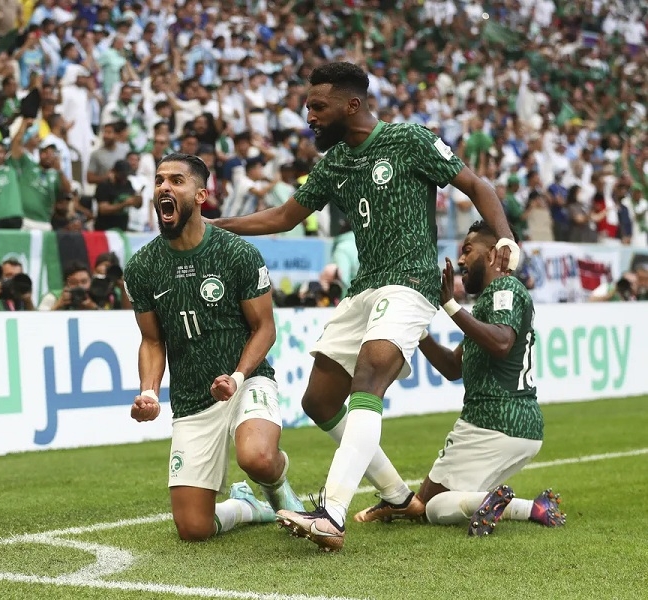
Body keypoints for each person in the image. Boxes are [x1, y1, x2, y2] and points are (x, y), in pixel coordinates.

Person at [211, 62, 519, 552]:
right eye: (307, 107)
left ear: (352, 104)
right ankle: (398, 498)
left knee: (369, 378)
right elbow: (285, 216)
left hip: (411, 281)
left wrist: (505, 239)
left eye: (318, 106)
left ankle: (331, 513)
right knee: (318, 402)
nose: (309, 117)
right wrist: (215, 227)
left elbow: (478, 186)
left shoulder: (409, 140)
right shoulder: (334, 163)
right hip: (363, 289)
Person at [124, 153, 304, 542]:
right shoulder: (142, 267)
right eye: (159, 181)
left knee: (257, 458)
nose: (164, 187)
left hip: (246, 380)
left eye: (176, 181)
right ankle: (248, 507)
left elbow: (265, 329)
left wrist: (237, 377)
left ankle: (277, 488)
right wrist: (149, 392)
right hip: (192, 398)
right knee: (193, 529)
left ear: (201, 195)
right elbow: (152, 340)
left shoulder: (236, 252)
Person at [353, 222, 565, 535]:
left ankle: (522, 507)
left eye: (467, 250)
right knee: (443, 505)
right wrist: (416, 328)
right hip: (521, 427)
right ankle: (529, 506)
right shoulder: (490, 302)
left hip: (492, 422)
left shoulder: (504, 288)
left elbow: (502, 343)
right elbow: (453, 366)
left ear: (493, 254)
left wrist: (450, 305)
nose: (461, 260)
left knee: (427, 506)